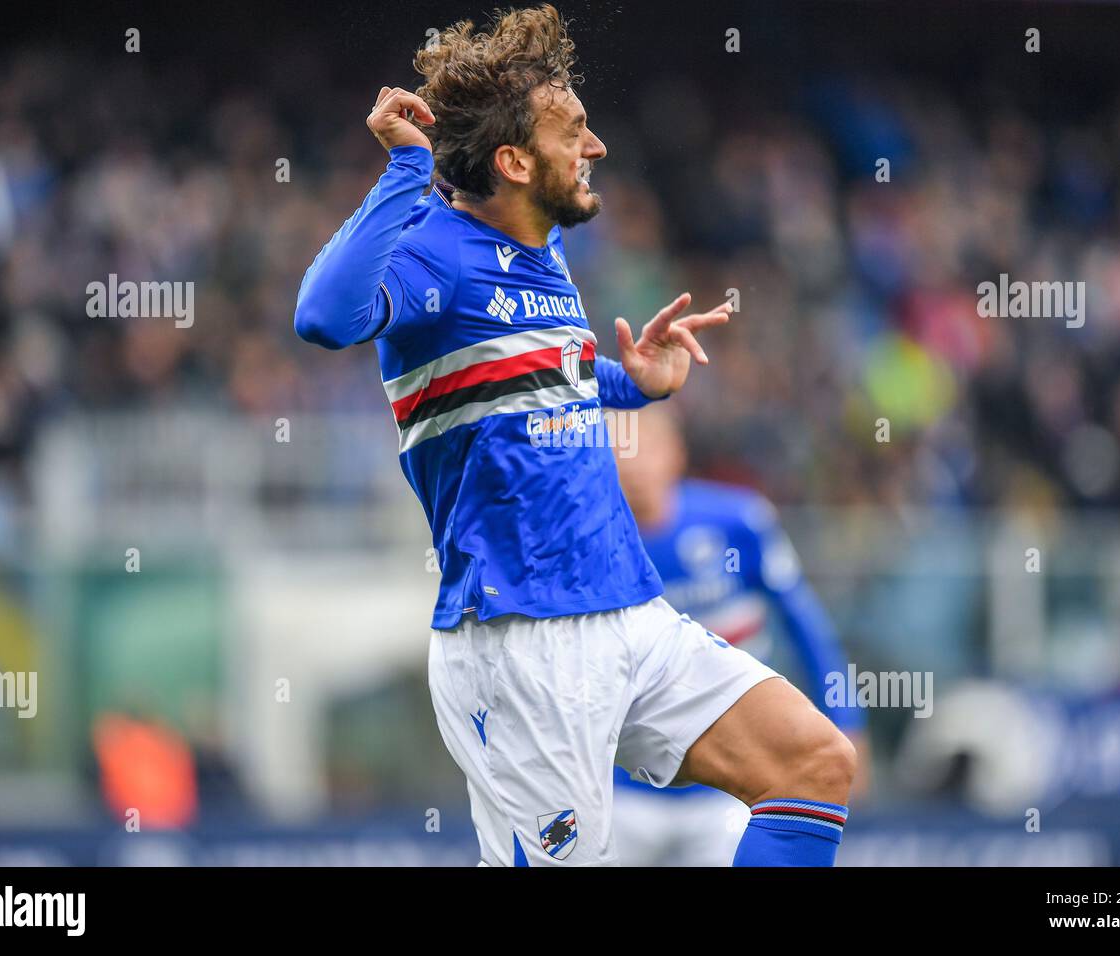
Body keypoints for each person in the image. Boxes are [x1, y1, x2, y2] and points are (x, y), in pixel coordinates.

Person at [293, 4, 855, 866]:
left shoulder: (543, 255)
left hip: (627, 608)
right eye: (576, 133)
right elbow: (323, 317)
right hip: (522, 642)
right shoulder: (435, 253)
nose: (595, 149)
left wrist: (642, 381)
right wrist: (406, 170)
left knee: (814, 763)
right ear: (514, 161)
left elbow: (542, 376)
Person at [611, 405, 869, 865]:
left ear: (676, 453)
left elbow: (805, 625)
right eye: (617, 449)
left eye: (645, 446)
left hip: (725, 788)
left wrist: (846, 718)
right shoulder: (587, 545)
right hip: (618, 788)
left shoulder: (738, 521)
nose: (632, 461)